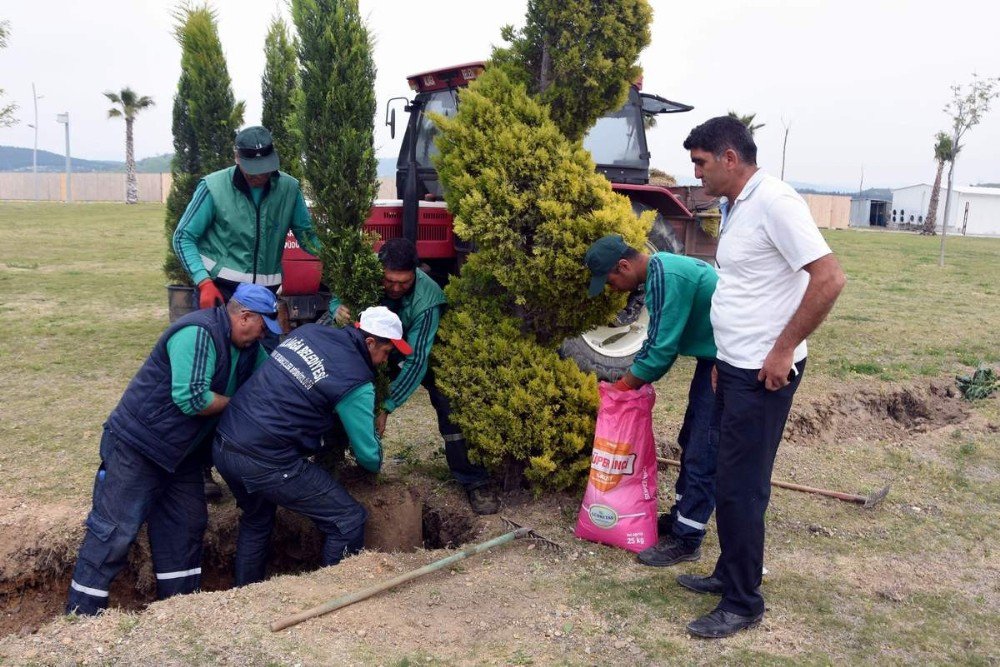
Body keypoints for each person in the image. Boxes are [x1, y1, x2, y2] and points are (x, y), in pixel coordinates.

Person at [678, 116, 846, 638]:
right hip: (734, 368)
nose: (697, 175)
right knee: (731, 480)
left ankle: (743, 602)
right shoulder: (735, 205)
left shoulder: (776, 201)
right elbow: (745, 287)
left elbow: (829, 277)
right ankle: (730, 572)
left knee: (741, 487)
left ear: (730, 158)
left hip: (764, 374)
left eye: (701, 163)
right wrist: (723, 362)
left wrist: (783, 348)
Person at [66, 284, 281, 615]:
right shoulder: (198, 333)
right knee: (114, 532)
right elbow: (192, 398)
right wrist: (238, 404)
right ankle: (81, 617)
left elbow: (273, 382)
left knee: (185, 530)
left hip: (182, 458)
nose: (262, 335)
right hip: (138, 447)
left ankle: (178, 616)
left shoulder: (251, 350)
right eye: (262, 327)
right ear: (244, 316)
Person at [212, 307, 410, 585]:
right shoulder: (355, 382)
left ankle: (247, 593)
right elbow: (368, 456)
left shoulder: (308, 332)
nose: (383, 362)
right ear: (370, 343)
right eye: (386, 353)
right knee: (348, 520)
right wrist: (377, 455)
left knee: (257, 518)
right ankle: (330, 595)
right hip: (265, 459)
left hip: (225, 442)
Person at [171, 125, 319, 497]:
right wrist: (203, 281)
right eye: (253, 169)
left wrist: (340, 253)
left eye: (267, 168)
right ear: (236, 158)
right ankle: (199, 467)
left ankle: (258, 458)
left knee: (265, 377)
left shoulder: (288, 188)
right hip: (220, 294)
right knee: (212, 380)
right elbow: (183, 236)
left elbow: (306, 234)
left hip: (265, 299)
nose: (260, 176)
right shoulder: (214, 187)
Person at [322, 238, 499, 515]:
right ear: (380, 270)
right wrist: (336, 308)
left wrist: (385, 405)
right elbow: (339, 294)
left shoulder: (427, 299)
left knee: (448, 400)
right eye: (389, 281)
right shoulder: (367, 272)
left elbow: (416, 360)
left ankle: (473, 478)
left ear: (415, 273)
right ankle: (328, 465)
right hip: (374, 346)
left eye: (403, 283)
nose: (394, 288)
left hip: (416, 349)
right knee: (335, 386)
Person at [584, 234, 719, 566]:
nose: (612, 288)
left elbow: (662, 350)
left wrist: (623, 388)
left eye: (611, 279)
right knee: (691, 437)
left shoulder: (666, 275)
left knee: (704, 446)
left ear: (625, 265)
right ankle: (681, 518)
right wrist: (632, 376)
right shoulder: (661, 271)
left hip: (729, 361)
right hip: (716, 357)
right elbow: (656, 337)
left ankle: (687, 539)